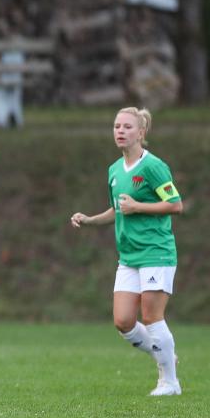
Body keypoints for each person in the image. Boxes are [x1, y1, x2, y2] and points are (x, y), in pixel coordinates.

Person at [70, 107, 183, 396]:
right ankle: (166, 355)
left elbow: (175, 204)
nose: (120, 131)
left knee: (152, 317)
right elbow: (118, 209)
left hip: (156, 251)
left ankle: (169, 382)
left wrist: (139, 207)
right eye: (117, 126)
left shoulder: (153, 166)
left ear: (141, 133)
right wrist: (91, 219)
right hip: (129, 256)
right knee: (123, 321)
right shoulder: (114, 169)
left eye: (127, 127)